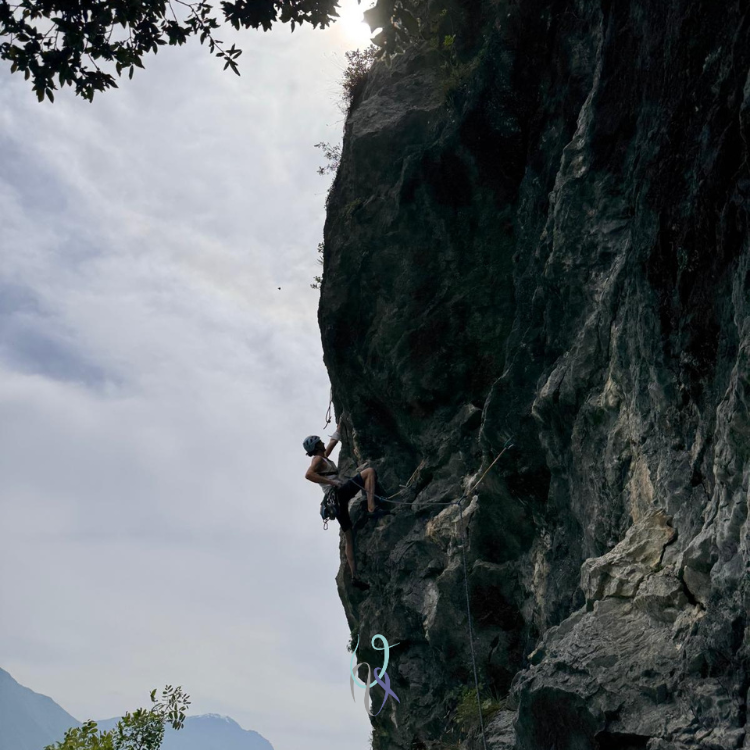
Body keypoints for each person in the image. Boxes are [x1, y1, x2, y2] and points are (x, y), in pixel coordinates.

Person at [303, 425, 389, 590]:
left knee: (349, 537)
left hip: (335, 503)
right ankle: (372, 508)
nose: (323, 442)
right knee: (369, 472)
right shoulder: (318, 460)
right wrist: (331, 482)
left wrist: (340, 426)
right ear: (316, 446)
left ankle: (355, 576)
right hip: (338, 493)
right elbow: (308, 475)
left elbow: (332, 442)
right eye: (320, 442)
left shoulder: (323, 458)